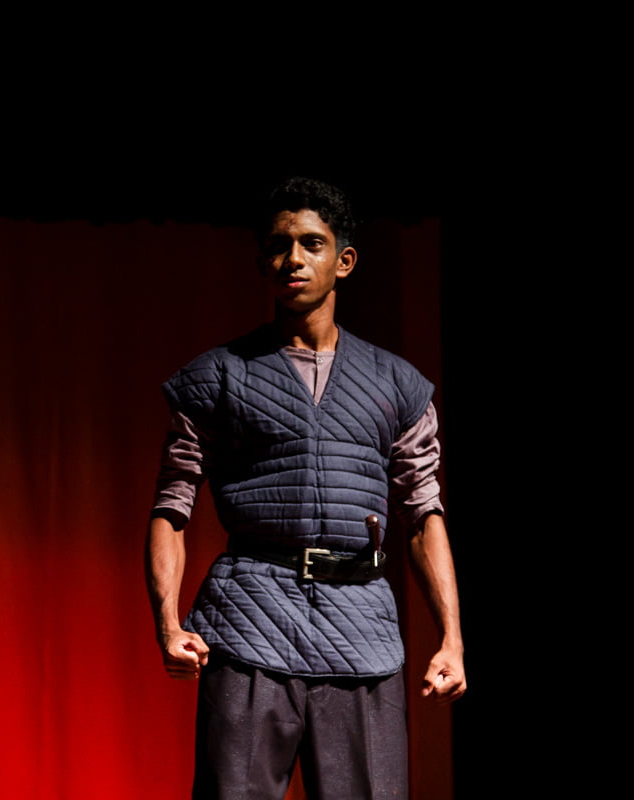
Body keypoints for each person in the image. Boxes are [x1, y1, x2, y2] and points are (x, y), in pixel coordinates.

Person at [145, 176, 466, 799]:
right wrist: (166, 623)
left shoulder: (397, 384)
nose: (293, 259)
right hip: (249, 623)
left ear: (344, 260)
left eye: (312, 243)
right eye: (278, 245)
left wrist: (451, 639)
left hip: (362, 634)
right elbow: (171, 505)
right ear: (262, 262)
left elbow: (423, 514)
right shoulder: (218, 376)